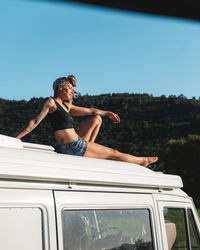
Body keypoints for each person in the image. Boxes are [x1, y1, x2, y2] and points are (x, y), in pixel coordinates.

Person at [16, 75, 158, 167]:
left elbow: (91, 111)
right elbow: (34, 122)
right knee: (113, 153)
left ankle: (90, 148)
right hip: (73, 146)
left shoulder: (67, 106)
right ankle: (142, 161)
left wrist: (107, 113)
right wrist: (15, 139)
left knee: (96, 118)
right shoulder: (51, 102)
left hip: (75, 144)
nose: (72, 91)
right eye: (69, 89)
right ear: (60, 88)